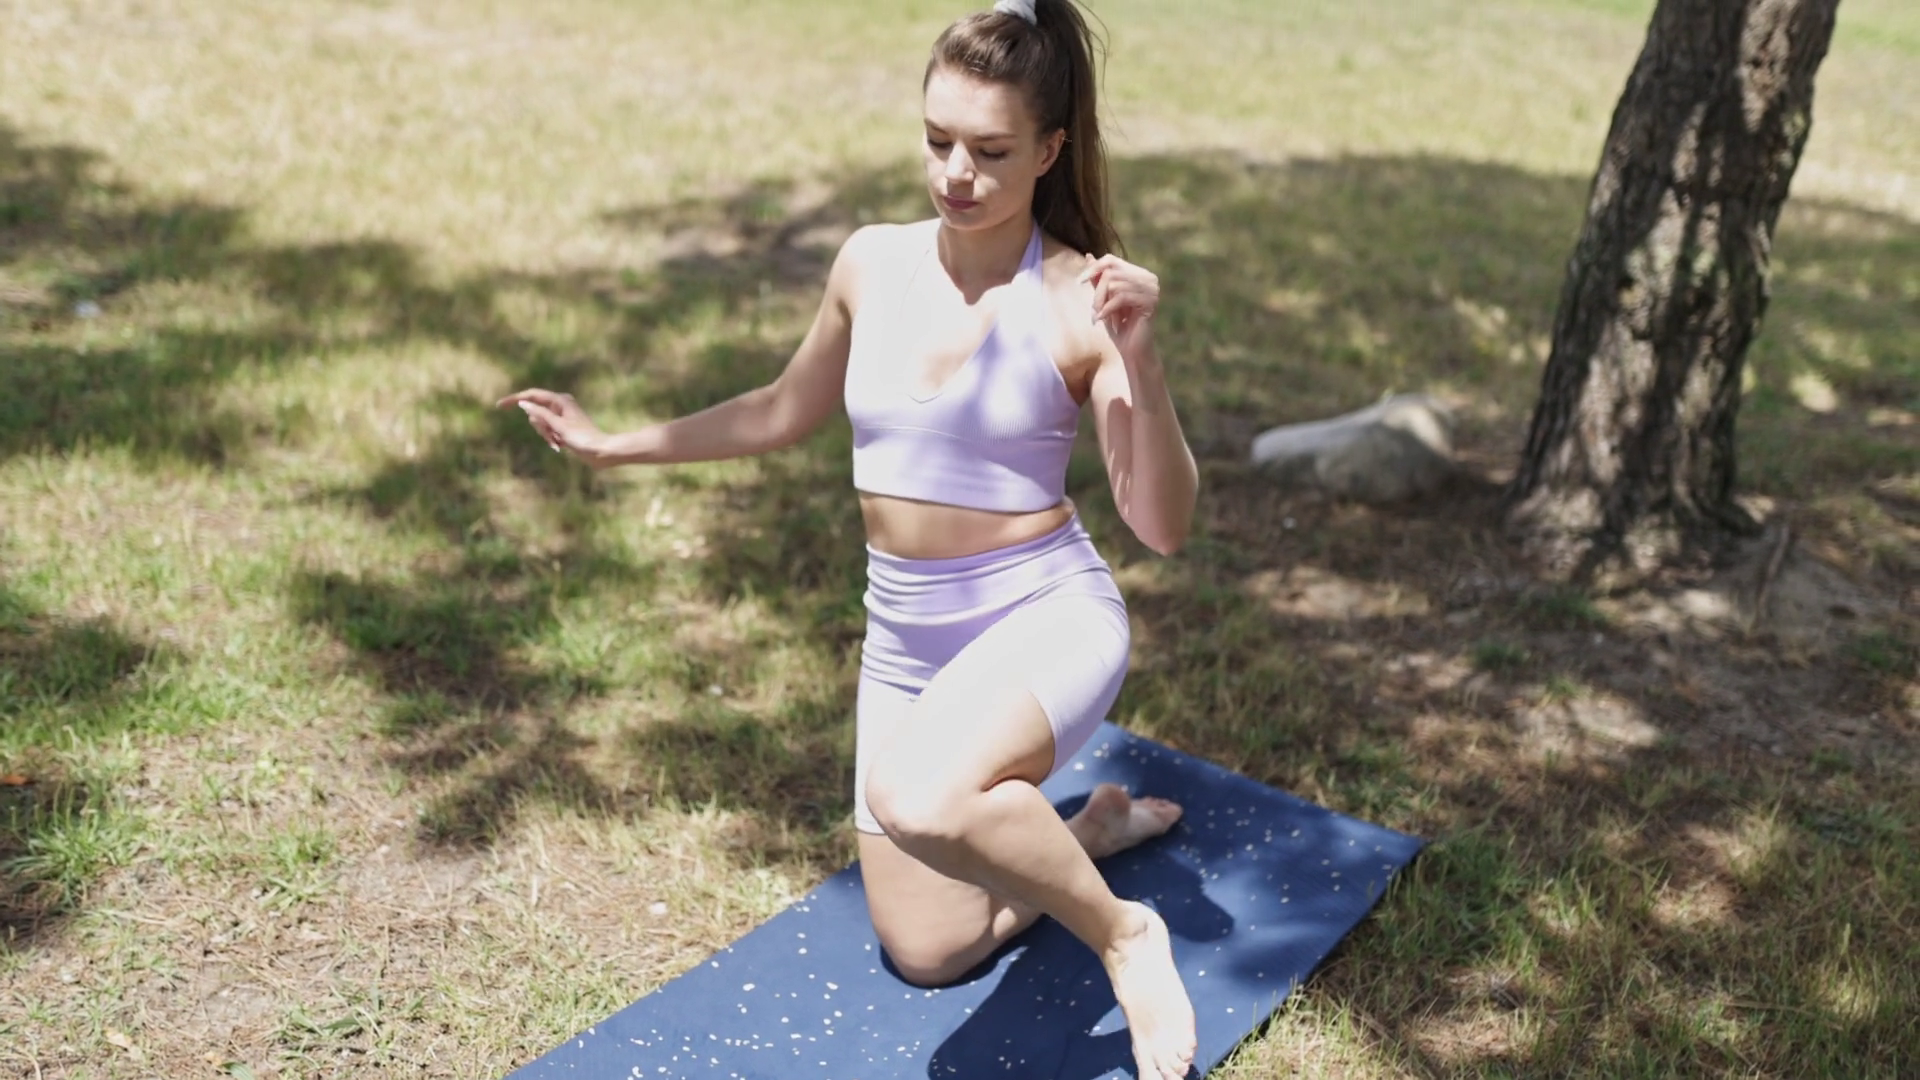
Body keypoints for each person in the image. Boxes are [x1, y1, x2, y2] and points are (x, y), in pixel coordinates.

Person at [498, 0, 1200, 1074]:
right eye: (938, 141)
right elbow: (783, 409)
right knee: (931, 949)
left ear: (1050, 149)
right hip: (906, 638)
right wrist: (614, 446)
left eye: (991, 150)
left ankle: (1126, 937)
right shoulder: (871, 262)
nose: (957, 173)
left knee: (918, 796)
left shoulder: (1076, 300)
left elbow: (1162, 524)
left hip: (1042, 617)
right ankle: (1086, 834)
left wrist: (1140, 360)